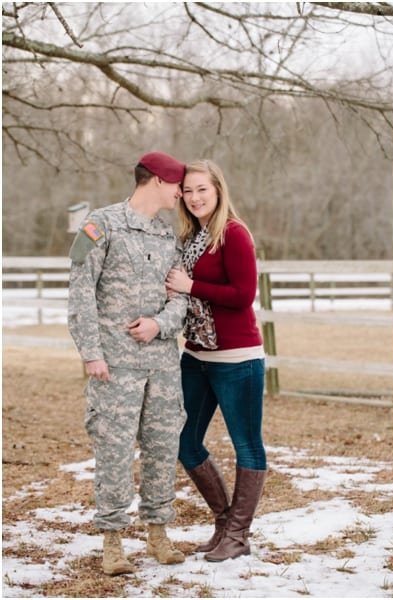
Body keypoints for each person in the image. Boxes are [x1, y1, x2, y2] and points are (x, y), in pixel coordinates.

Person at [67, 151, 189, 575]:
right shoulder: (102, 225)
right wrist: (92, 354)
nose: (182, 193)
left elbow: (181, 299)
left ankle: (158, 533)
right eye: (177, 185)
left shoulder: (167, 235)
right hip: (114, 366)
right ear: (156, 181)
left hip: (162, 366)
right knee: (114, 451)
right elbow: (81, 292)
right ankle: (113, 542)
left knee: (161, 449)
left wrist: (160, 323)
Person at [165, 159, 267, 562]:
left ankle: (238, 535)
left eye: (201, 190)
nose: (194, 198)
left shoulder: (234, 234)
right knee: (184, 441)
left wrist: (192, 286)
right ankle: (224, 522)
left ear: (218, 190)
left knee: (247, 445)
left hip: (237, 356)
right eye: (187, 191)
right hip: (196, 353)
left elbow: (243, 295)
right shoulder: (193, 236)